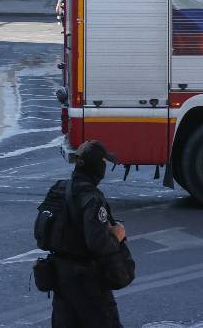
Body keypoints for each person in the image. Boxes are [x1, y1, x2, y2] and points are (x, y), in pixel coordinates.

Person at [49, 140, 127, 328]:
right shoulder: (92, 198)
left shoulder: (58, 189)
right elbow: (98, 242)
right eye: (104, 163)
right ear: (98, 166)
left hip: (61, 278)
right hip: (87, 281)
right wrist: (117, 235)